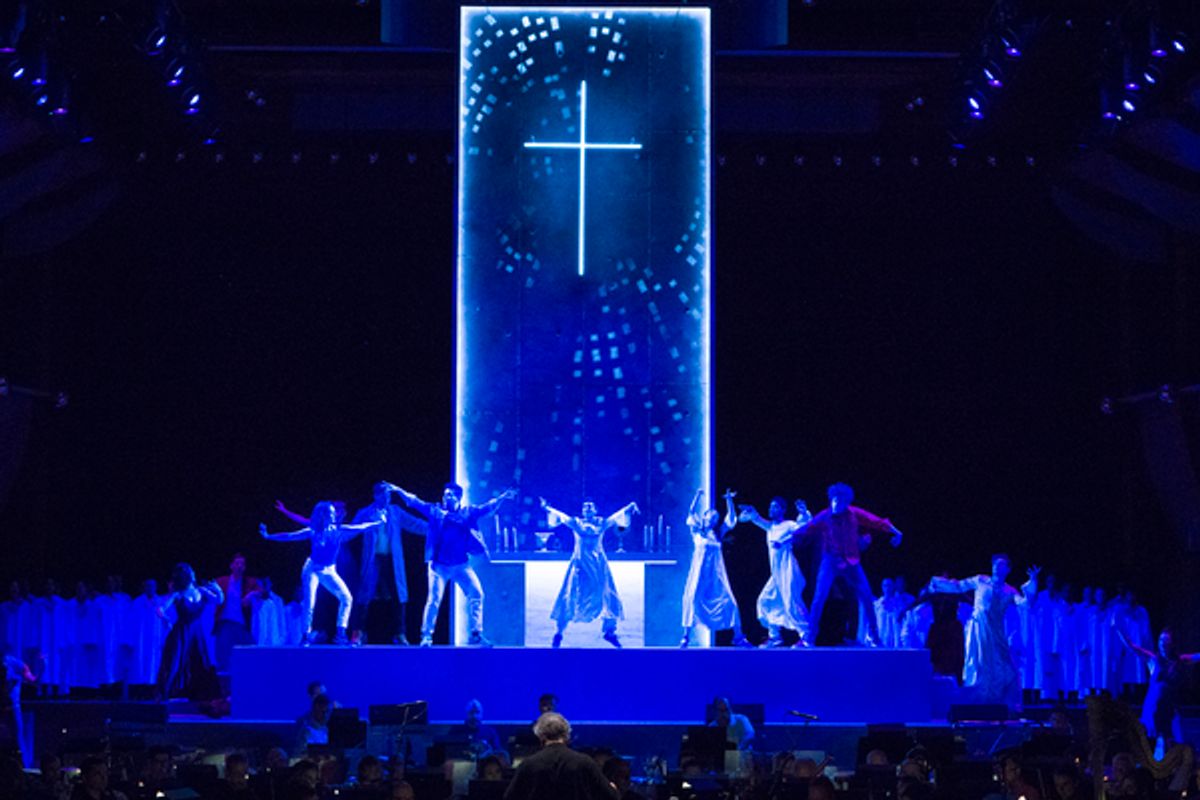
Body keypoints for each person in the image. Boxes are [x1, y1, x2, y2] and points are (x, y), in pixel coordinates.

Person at [389, 482, 516, 647]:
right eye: (444, 494)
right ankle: (426, 636)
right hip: (438, 567)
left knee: (476, 592)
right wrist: (398, 489)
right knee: (434, 600)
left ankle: (476, 634)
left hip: (461, 565)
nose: (444, 497)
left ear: (458, 497)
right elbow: (414, 501)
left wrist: (503, 497)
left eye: (448, 494)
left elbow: (488, 507)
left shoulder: (468, 512)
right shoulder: (435, 511)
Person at [795, 483, 904, 647]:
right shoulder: (825, 516)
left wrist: (897, 532)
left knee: (867, 597)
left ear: (847, 502)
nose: (837, 504)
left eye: (841, 501)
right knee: (819, 598)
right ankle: (809, 637)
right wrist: (784, 541)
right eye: (834, 500)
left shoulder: (854, 514)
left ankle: (873, 636)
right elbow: (806, 529)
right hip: (830, 561)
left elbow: (877, 521)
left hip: (851, 562)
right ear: (831, 499)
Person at [260, 501, 382, 646]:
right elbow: (290, 536)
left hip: (329, 570)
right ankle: (306, 635)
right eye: (330, 513)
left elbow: (361, 527)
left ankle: (340, 632)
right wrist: (268, 536)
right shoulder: (313, 531)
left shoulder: (339, 530)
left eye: (333, 512)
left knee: (346, 597)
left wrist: (378, 522)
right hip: (312, 569)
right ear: (323, 515)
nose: (334, 515)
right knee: (310, 601)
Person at [928, 555, 1039, 706]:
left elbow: (1025, 604)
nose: (996, 567)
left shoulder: (1009, 590)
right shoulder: (981, 580)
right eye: (995, 564)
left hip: (995, 632)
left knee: (1001, 664)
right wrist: (939, 583)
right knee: (977, 663)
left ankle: (995, 700)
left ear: (1007, 569)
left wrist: (1032, 582)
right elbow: (960, 586)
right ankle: (976, 699)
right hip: (978, 629)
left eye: (1001, 565)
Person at [539, 495, 639, 648]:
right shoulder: (576, 522)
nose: (587, 508)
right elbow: (561, 516)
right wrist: (547, 508)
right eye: (585, 507)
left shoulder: (601, 522)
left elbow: (615, 517)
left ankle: (610, 632)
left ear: (595, 509)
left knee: (608, 596)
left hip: (598, 565)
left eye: (590, 506)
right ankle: (558, 633)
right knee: (570, 596)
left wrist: (629, 506)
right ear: (582, 511)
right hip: (580, 564)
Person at [351, 483, 428, 645]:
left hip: (392, 560)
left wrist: (435, 529)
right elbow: (352, 529)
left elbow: (415, 524)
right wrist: (336, 534)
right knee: (364, 596)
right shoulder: (365, 513)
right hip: (372, 560)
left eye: (388, 495)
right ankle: (358, 633)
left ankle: (399, 633)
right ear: (375, 495)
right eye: (383, 495)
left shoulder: (395, 512)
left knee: (399, 595)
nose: (386, 498)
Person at [736, 497, 812, 647]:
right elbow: (749, 519)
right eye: (770, 506)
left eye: (776, 507)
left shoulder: (788, 524)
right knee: (765, 601)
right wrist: (752, 511)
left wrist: (804, 514)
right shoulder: (770, 527)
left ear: (783, 510)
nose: (771, 509)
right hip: (776, 574)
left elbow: (803, 530)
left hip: (788, 570)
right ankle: (775, 637)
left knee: (792, 602)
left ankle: (806, 637)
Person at [679, 489, 751, 648]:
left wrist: (729, 500)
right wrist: (697, 496)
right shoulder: (697, 532)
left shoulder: (718, 534)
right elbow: (691, 512)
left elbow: (731, 518)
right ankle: (685, 636)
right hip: (699, 573)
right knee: (692, 599)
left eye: (715, 517)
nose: (713, 518)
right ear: (704, 517)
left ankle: (738, 637)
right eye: (710, 515)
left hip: (717, 574)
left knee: (730, 602)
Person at [503, 712, 617, 800]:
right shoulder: (584, 762)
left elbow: (510, 797)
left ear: (540, 737)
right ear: (567, 737)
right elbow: (611, 796)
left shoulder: (528, 765)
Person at [1118, 626, 1198, 748]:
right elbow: (1132, 647)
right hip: (1153, 709)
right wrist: (1118, 628)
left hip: (1169, 709)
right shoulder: (1153, 659)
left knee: (1169, 742)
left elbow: (1197, 657)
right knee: (1152, 743)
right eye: (1161, 640)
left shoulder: (1180, 661)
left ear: (1172, 643)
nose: (1162, 643)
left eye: (1166, 641)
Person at [157, 563, 224, 701]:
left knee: (199, 661)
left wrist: (218, 589)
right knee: (174, 662)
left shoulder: (201, 591)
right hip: (181, 632)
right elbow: (160, 609)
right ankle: (164, 696)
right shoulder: (178, 594)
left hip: (197, 633)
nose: (190, 576)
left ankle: (198, 693)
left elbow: (219, 601)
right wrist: (166, 620)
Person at [214, 554, 262, 670]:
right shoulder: (222, 581)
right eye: (237, 563)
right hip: (226, 623)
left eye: (242, 564)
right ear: (231, 566)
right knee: (224, 657)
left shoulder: (250, 582)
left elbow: (261, 591)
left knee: (247, 657)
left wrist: (251, 595)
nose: (240, 566)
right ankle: (225, 685)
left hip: (242, 625)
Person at [2, 641, 36, 767]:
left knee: (18, 735)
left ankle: (23, 764)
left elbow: (29, 676)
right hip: (5, 706)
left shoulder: (11, 662)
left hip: (12, 706)